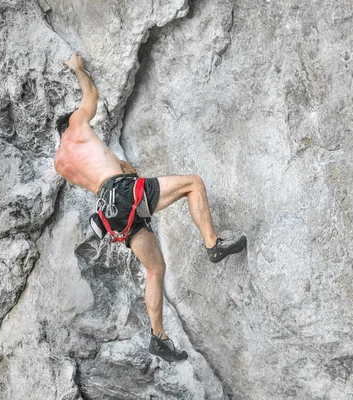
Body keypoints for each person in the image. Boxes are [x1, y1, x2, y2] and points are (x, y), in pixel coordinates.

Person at [54, 52, 247, 362]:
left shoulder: (61, 164)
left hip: (110, 212)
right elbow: (90, 95)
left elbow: (112, 170)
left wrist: (121, 168)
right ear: (68, 127)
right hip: (123, 194)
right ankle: (213, 245)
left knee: (155, 268)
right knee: (193, 183)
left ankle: (158, 337)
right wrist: (79, 69)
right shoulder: (74, 126)